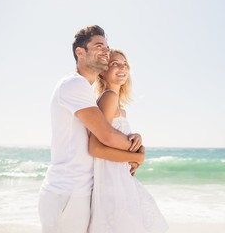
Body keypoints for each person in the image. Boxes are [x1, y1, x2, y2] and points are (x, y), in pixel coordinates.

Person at [38, 25, 145, 233]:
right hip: (66, 192)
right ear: (80, 52)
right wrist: (139, 152)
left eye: (106, 46)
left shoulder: (84, 90)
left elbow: (107, 133)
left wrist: (133, 144)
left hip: (77, 192)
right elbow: (105, 135)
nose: (105, 50)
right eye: (98, 46)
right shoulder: (74, 84)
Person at [88, 49, 169, 233]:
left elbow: (114, 136)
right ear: (102, 71)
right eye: (115, 64)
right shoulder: (109, 97)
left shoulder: (119, 106)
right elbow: (95, 147)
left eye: (124, 64)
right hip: (112, 183)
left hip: (119, 178)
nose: (121, 67)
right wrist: (137, 157)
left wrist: (136, 139)